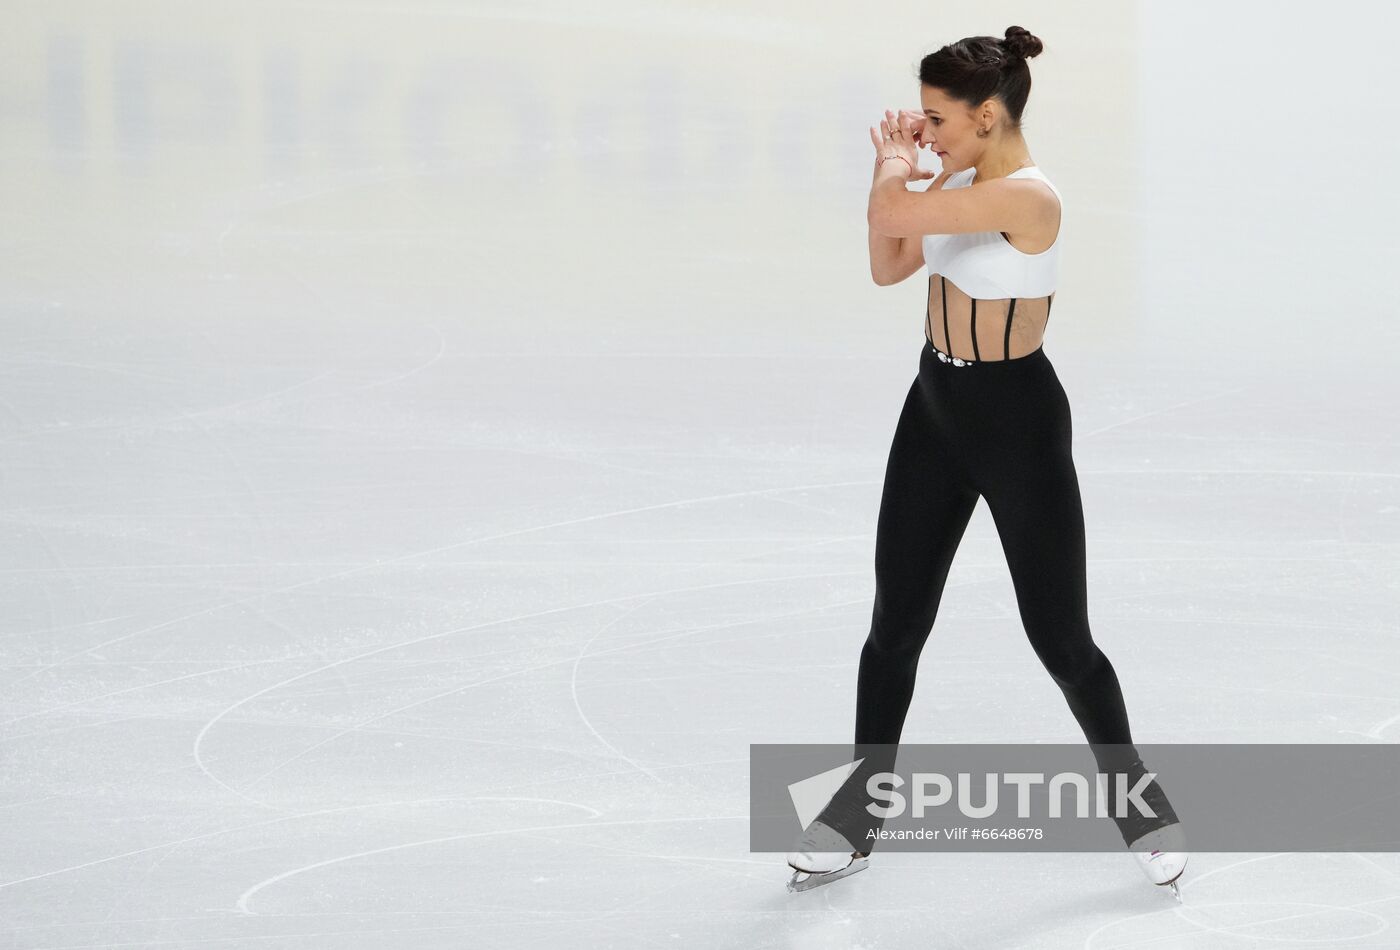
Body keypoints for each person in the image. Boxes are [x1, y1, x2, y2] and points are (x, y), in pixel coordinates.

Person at [785, 25, 1188, 901]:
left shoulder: (1029, 199)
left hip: (1016, 423)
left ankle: (1144, 814)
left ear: (990, 114)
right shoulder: (961, 181)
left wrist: (895, 167)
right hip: (933, 410)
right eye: (918, 119)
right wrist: (904, 170)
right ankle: (852, 827)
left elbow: (891, 215)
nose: (923, 131)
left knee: (1063, 642)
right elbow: (889, 264)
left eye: (935, 117)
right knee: (894, 627)